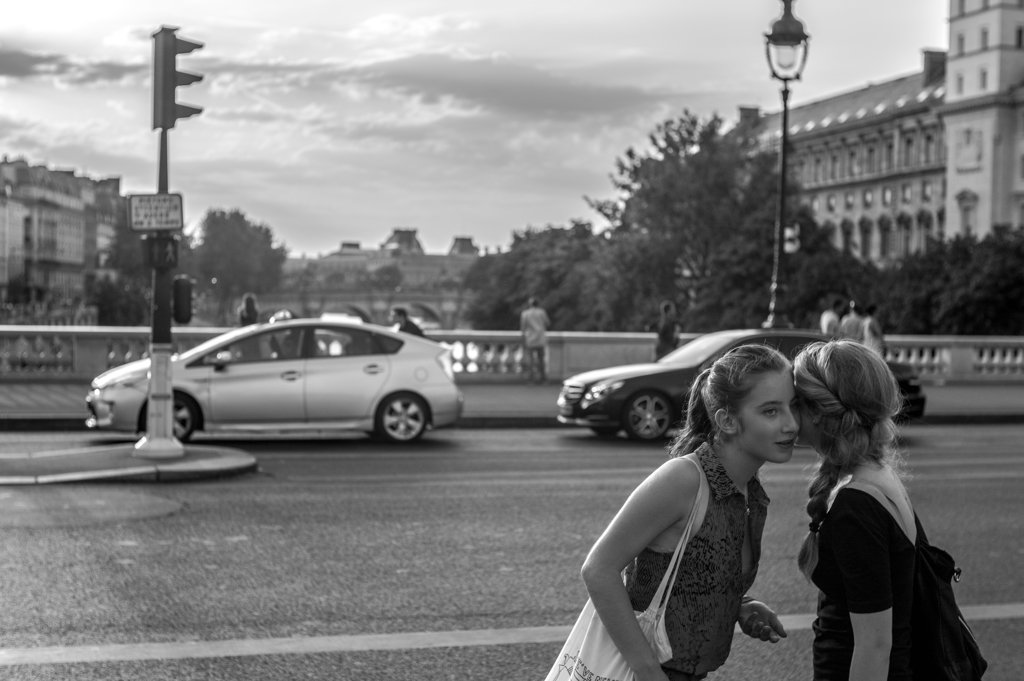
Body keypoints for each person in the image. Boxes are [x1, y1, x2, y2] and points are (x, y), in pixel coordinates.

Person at [580, 344, 797, 681]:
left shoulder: (745, 487)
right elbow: (598, 569)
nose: (792, 424)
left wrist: (736, 605)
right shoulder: (685, 479)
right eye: (771, 411)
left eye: (792, 406)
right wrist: (650, 673)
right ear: (726, 420)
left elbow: (686, 575)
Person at [794, 340, 915, 680]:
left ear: (817, 410)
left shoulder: (855, 506)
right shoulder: (877, 473)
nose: (787, 415)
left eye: (793, 402)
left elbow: (874, 646)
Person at [519, 297, 551, 383]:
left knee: (530, 360)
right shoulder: (541, 312)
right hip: (540, 339)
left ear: (530, 304)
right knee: (541, 360)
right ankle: (543, 378)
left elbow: (523, 328)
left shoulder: (525, 313)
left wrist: (523, 339)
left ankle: (531, 379)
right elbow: (548, 323)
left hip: (530, 339)